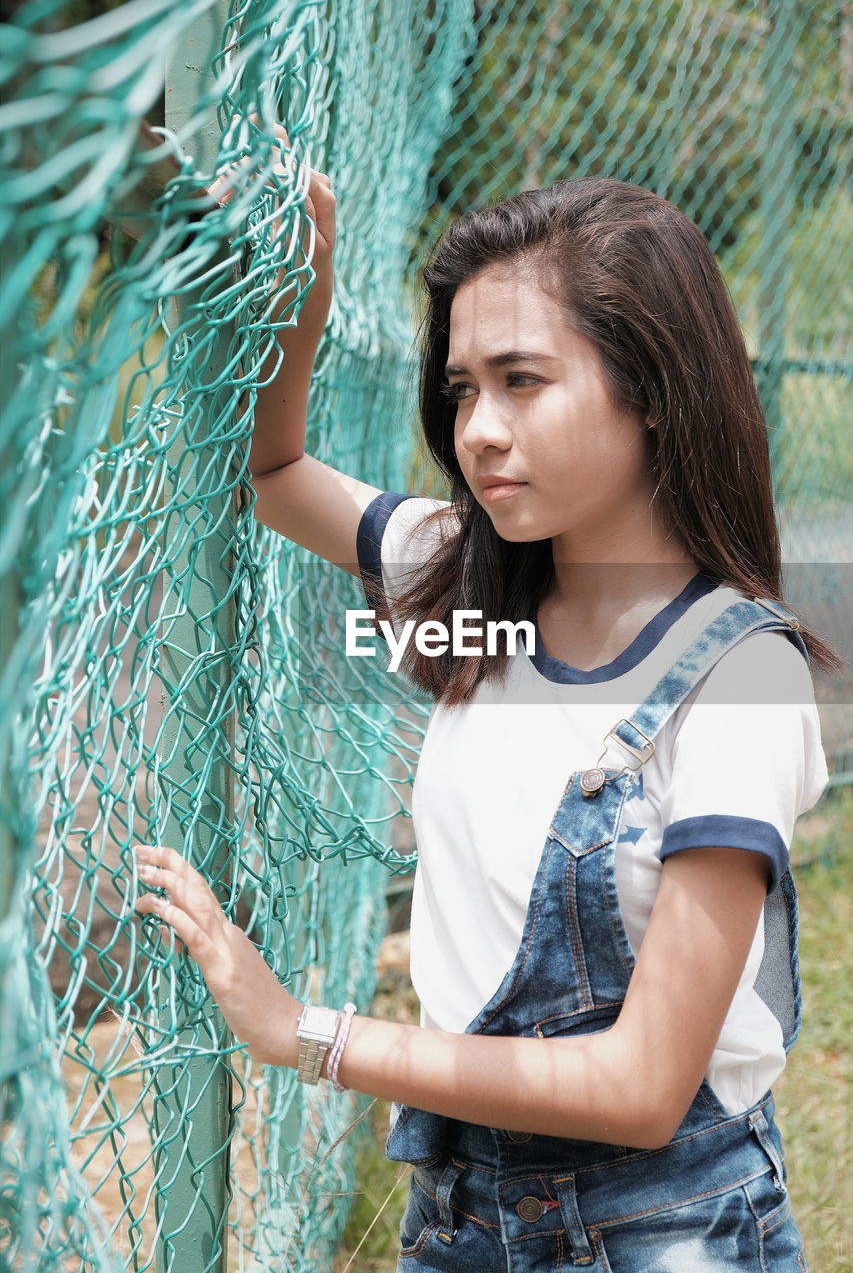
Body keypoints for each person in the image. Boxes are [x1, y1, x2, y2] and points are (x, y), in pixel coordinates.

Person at [135, 141, 839, 1270]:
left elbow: (642, 1085)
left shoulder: (736, 675)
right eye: (462, 388)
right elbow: (269, 474)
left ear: (650, 388)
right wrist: (299, 296)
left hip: (663, 1226)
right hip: (462, 1210)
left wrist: (307, 1032)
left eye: (522, 380)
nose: (476, 430)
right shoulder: (469, 577)